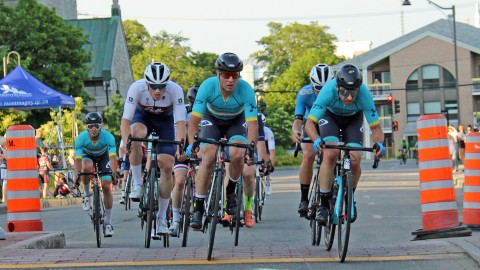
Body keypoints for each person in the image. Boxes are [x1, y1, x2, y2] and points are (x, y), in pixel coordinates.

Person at [305, 64, 386, 225]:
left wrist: (380, 144)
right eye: (344, 92)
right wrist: (316, 140)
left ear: (358, 89)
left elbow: (376, 128)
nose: (349, 98)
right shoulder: (327, 92)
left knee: (355, 158)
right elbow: (309, 124)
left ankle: (350, 198)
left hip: (353, 119)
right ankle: (323, 200)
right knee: (331, 153)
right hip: (330, 117)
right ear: (337, 87)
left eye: (353, 93)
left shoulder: (365, 95)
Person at [186, 52, 258, 230]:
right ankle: (199, 207)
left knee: (237, 152)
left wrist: (252, 150)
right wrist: (191, 145)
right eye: (226, 75)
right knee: (208, 155)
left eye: (235, 75)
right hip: (212, 120)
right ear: (218, 74)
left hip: (236, 121)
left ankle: (231, 189)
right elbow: (194, 121)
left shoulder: (246, 90)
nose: (231, 80)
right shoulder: (207, 86)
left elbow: (253, 124)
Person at [120, 62, 186, 235]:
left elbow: (180, 122)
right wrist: (127, 142)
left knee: (167, 165)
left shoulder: (175, 89)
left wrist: (180, 145)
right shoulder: (136, 87)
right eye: (154, 86)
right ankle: (137, 183)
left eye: (162, 86)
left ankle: (162, 218)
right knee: (135, 134)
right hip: (143, 118)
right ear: (147, 83)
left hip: (165, 121)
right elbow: (126, 120)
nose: (158, 91)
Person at [291, 63, 334, 218]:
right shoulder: (305, 93)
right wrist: (296, 131)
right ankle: (304, 199)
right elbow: (298, 120)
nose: (321, 92)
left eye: (326, 87)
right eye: (318, 88)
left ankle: (334, 187)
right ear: (311, 83)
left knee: (335, 153)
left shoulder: (337, 92)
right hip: (312, 123)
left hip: (332, 123)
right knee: (308, 154)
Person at [73, 112, 118, 237]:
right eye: (91, 126)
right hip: (88, 156)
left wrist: (114, 174)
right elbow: (77, 160)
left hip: (104, 157)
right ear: (86, 127)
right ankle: (87, 194)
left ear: (101, 126)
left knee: (106, 186)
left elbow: (113, 157)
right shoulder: (81, 138)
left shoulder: (108, 137)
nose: (94, 130)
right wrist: (77, 176)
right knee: (86, 167)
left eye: (97, 126)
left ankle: (108, 223)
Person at [169, 85, 198, 236]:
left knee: (202, 176)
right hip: (183, 147)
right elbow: (178, 133)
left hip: (200, 148)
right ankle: (176, 219)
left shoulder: (209, 112)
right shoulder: (182, 111)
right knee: (179, 181)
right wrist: (180, 151)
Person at [260, 113, 276, 195]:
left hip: (266, 144)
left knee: (267, 158)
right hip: (256, 143)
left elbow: (272, 150)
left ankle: (268, 181)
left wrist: (271, 165)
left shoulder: (268, 132)